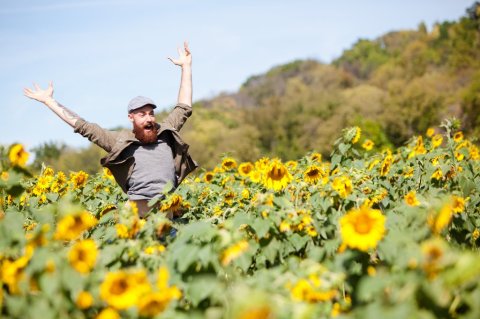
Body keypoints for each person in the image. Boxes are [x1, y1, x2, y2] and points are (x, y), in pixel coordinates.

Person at [24, 42, 198, 217]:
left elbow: (184, 107)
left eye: (151, 113)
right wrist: (49, 101)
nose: (149, 118)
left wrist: (186, 67)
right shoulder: (120, 140)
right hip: (136, 221)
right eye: (142, 114)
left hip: (167, 218)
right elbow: (84, 127)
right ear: (131, 117)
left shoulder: (166, 132)